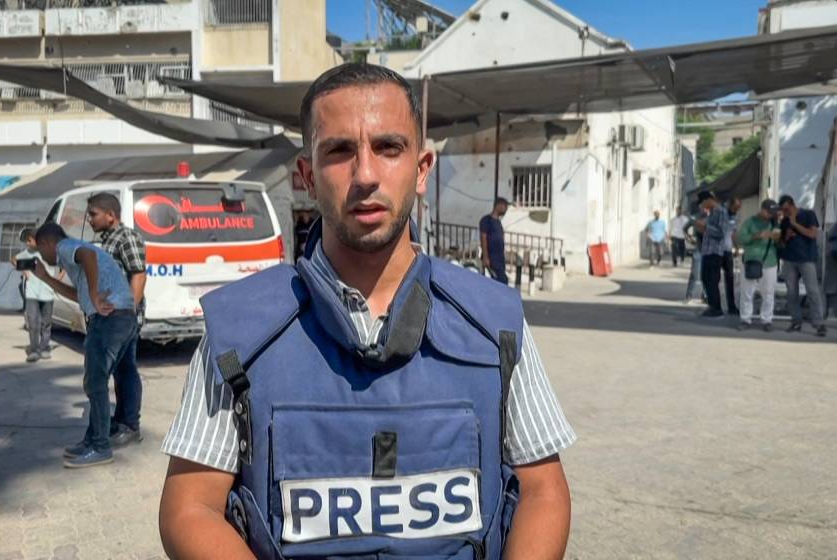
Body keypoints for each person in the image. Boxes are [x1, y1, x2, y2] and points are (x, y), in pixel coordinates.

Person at [158, 63, 575, 560]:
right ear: (307, 176)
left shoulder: (495, 322)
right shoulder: (239, 332)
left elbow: (543, 491)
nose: (366, 175)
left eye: (388, 147)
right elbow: (190, 509)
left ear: (422, 169)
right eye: (339, 151)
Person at [32, 222, 137, 468]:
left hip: (108, 319)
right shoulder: (75, 253)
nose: (42, 256)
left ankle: (101, 447)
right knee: (99, 381)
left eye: (40, 250)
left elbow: (87, 256)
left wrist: (94, 295)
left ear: (47, 242)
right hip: (123, 316)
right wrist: (45, 278)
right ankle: (92, 439)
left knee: (95, 383)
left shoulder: (65, 246)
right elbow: (78, 296)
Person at [86, 192, 147, 448]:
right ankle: (120, 420)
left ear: (111, 215)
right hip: (111, 318)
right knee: (120, 371)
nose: (89, 219)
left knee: (126, 371)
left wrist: (127, 313)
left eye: (93, 214)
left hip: (123, 319)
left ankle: (131, 425)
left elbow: (138, 274)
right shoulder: (107, 240)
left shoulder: (126, 237)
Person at [778, 195, 826, 337]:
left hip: (806, 259)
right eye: (783, 210)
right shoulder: (784, 221)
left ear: (793, 205)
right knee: (791, 292)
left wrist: (795, 224)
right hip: (789, 259)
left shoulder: (808, 214)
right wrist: (787, 236)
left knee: (812, 291)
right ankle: (796, 321)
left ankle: (819, 323)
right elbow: (781, 243)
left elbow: (813, 234)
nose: (785, 213)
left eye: (787, 209)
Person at [13, 228, 59, 362]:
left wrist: (58, 280)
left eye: (29, 240)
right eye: (26, 241)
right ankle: (33, 350)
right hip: (32, 293)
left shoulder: (50, 252)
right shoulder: (28, 253)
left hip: (48, 293)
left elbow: (64, 265)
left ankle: (44, 348)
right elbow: (14, 259)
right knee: (33, 322)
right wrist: (25, 272)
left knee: (46, 323)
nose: (27, 243)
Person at [735, 199, 781, 332]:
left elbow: (779, 242)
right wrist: (757, 236)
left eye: (773, 212)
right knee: (747, 292)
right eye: (769, 212)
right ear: (762, 209)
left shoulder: (775, 223)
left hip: (770, 262)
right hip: (751, 261)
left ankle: (767, 320)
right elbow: (740, 239)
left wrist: (777, 238)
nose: (771, 215)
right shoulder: (750, 222)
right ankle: (745, 319)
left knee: (768, 292)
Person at [695, 192, 729, 318]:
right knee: (705, 278)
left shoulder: (721, 212)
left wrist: (705, 226)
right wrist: (702, 228)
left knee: (712, 280)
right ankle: (711, 306)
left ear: (708, 200)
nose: (703, 206)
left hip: (715, 251)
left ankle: (716, 308)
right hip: (707, 250)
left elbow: (721, 232)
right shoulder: (712, 212)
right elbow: (708, 231)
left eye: (703, 203)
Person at [480, 197, 510, 285]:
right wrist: (485, 257)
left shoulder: (498, 222)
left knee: (501, 281)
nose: (506, 209)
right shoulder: (487, 220)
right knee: (501, 280)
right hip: (491, 257)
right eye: (505, 206)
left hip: (499, 258)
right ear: (499, 205)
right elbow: (483, 238)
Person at [720, 196, 742, 315]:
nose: (737, 210)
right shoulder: (720, 213)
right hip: (716, 250)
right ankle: (713, 304)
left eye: (738, 208)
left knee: (730, 278)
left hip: (727, 251)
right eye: (735, 207)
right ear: (730, 204)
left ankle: (731, 306)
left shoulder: (734, 217)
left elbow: (733, 233)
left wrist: (737, 247)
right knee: (714, 278)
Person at [683, 206, 706, 303]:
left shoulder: (713, 217)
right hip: (698, 250)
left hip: (709, 251)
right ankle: (689, 296)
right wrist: (690, 238)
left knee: (707, 275)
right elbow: (685, 228)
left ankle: (705, 296)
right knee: (694, 274)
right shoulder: (695, 218)